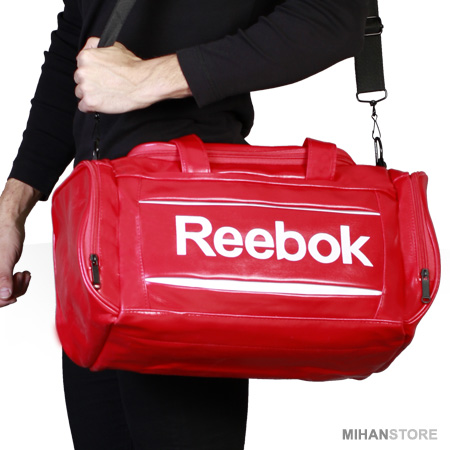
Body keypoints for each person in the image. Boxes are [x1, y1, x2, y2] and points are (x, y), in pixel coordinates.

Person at [0, 1, 368, 448]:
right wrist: (12, 207)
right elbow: (77, 47)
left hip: (188, 228)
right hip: (96, 229)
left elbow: (334, 16)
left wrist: (150, 79)